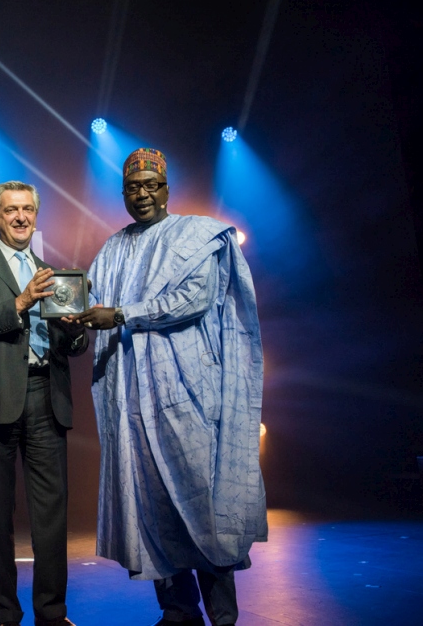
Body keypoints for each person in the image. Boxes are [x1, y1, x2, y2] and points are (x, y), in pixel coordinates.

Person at [71, 148, 267, 626]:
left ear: (165, 188)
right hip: (131, 397)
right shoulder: (114, 247)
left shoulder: (196, 235)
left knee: (203, 501)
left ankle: (223, 614)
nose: (141, 195)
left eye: (150, 186)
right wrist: (71, 318)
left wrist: (119, 314)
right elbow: (88, 298)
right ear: (123, 193)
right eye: (132, 188)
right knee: (151, 503)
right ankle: (178, 610)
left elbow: (192, 300)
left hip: (187, 391)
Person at [0, 180, 85, 626]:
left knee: (50, 518)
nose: (21, 217)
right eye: (11, 211)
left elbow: (73, 344)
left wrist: (76, 327)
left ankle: (52, 614)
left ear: (36, 215)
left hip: (46, 397)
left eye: (28, 209)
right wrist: (20, 302)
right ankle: (7, 617)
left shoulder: (54, 274)